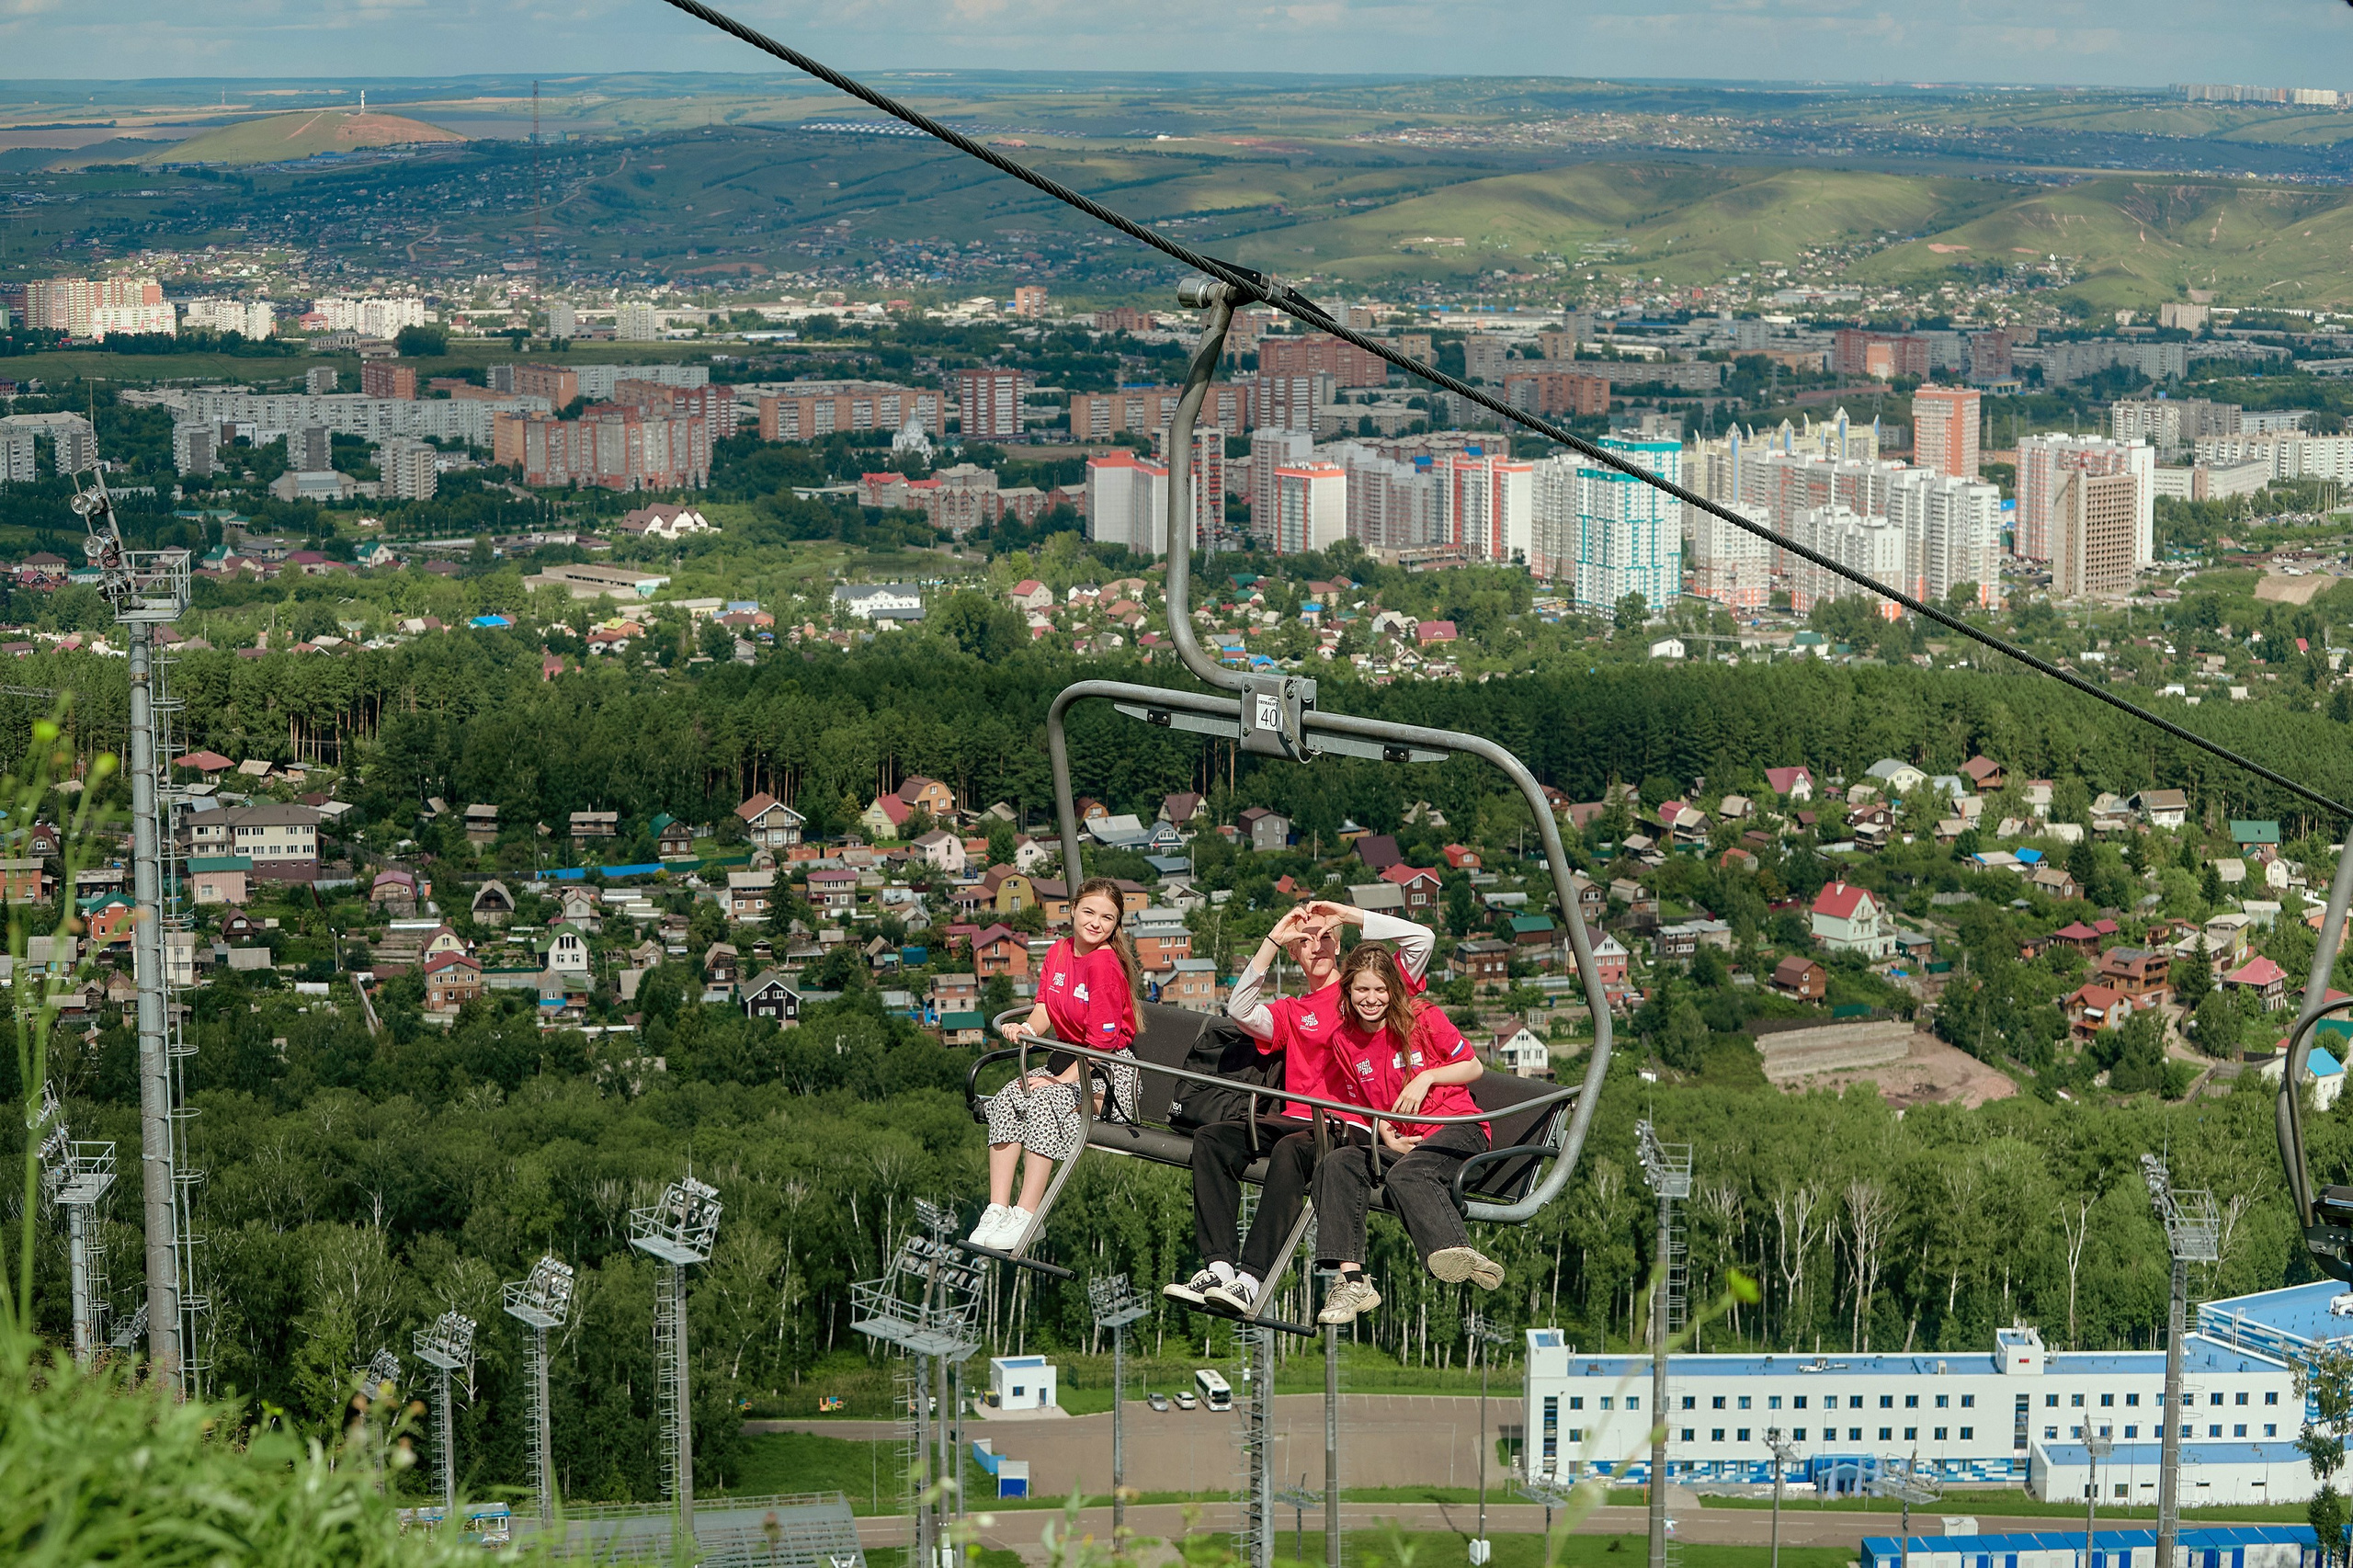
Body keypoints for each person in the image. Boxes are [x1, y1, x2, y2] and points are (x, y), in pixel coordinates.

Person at [1164, 898, 1432, 1318]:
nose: (1318, 946)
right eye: (1306, 940)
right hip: (1294, 1120)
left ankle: (1251, 1280)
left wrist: (1350, 915)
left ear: (1339, 946)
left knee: (1290, 1152)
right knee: (1213, 1140)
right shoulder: (1293, 1011)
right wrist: (1273, 938)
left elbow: (1422, 940)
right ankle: (1218, 1267)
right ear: (1294, 951)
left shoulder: (1363, 994)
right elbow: (1239, 1010)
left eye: (1327, 937)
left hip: (1350, 1126)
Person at [1310, 942, 1501, 1324]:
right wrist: (1384, 1133)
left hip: (1457, 1129)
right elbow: (1369, 1105)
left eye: (1380, 990)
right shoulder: (1345, 1042)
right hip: (1408, 1144)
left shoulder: (1422, 1018)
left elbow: (1473, 1066)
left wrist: (1427, 1077)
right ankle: (1353, 1281)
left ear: (1393, 990)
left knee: (1408, 1175)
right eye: (1362, 990)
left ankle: (1454, 1249)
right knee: (1338, 1163)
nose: (1371, 999)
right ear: (1347, 990)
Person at [969, 878, 1142, 1253]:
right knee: (1009, 1095)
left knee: (1044, 1103)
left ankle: (1028, 1214)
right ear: (1074, 910)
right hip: (1069, 1058)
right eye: (1090, 912)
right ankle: (997, 1207)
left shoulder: (1105, 967)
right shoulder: (1060, 952)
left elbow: (1102, 1046)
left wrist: (1060, 1082)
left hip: (1108, 1073)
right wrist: (1028, 1028)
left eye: (1107, 918)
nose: (1096, 923)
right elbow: (1046, 1007)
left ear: (1116, 925)